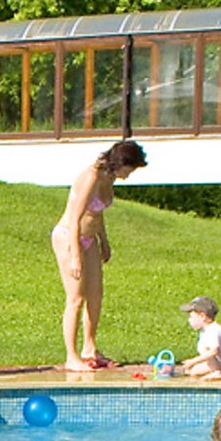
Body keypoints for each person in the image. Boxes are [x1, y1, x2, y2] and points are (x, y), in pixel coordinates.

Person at [51, 140, 147, 371]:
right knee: (76, 298)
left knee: (96, 295)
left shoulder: (109, 177)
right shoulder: (91, 177)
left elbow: (97, 212)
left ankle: (89, 348)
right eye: (130, 170)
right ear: (121, 163)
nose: (129, 175)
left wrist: (104, 241)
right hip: (68, 237)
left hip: (90, 239)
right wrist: (75, 255)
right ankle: (71, 357)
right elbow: (75, 218)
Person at [179, 295, 221, 380]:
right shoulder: (205, 330)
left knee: (207, 350)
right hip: (220, 363)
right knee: (192, 371)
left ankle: (217, 372)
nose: (189, 320)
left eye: (191, 317)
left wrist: (193, 361)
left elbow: (214, 351)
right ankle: (215, 370)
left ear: (202, 316)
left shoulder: (214, 330)